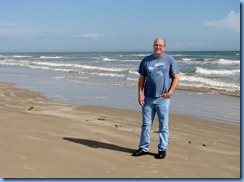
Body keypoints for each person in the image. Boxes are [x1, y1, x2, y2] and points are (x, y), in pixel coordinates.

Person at [132, 38, 180, 159]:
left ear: (164, 47)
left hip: (163, 99)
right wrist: (140, 94)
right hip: (148, 98)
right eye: (156, 45)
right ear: (153, 46)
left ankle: (162, 149)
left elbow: (176, 77)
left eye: (160, 45)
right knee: (146, 125)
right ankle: (143, 147)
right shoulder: (146, 60)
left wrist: (170, 92)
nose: (158, 47)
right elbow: (142, 78)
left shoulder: (170, 60)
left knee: (163, 125)